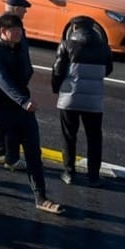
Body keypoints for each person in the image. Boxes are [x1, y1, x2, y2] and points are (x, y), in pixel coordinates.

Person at [0, 14, 64, 215]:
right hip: (0, 107)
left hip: (23, 108)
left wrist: (24, 98)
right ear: (3, 32)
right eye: (15, 31)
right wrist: (23, 100)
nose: (19, 34)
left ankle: (41, 198)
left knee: (34, 152)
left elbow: (28, 70)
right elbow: (2, 80)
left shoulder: (20, 47)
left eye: (20, 31)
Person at [52, 16, 113, 187]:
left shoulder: (67, 45)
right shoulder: (103, 48)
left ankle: (69, 173)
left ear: (75, 28)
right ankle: (93, 176)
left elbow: (57, 70)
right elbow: (108, 69)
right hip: (94, 100)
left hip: (69, 98)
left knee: (69, 136)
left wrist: (57, 88)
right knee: (94, 137)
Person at [0, 0, 31, 171]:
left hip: (11, 82)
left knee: (6, 124)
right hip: (7, 85)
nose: (25, 12)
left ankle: (2, 153)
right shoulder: (1, 25)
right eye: (23, 9)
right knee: (9, 125)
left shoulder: (6, 23)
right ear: (16, 8)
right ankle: (8, 157)